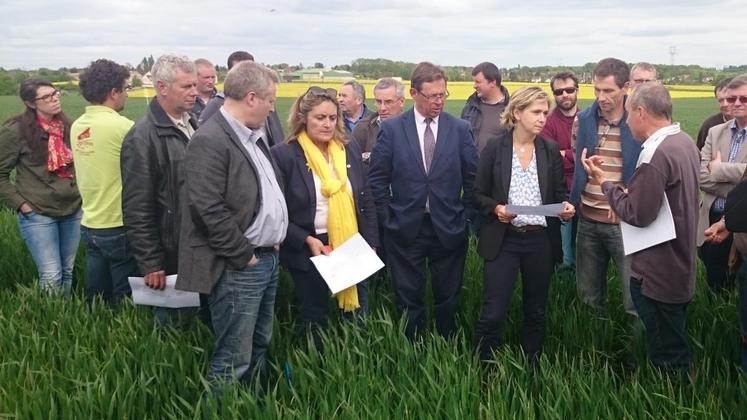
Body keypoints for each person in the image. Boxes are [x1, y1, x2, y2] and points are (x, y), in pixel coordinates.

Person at [176, 61, 287, 390]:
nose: (272, 107)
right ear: (251, 98)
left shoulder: (253, 136)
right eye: (270, 100)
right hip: (241, 264)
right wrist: (244, 255)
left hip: (267, 258)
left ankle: (252, 403)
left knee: (259, 343)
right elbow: (206, 208)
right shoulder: (210, 139)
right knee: (233, 354)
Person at [581, 82, 700, 377]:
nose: (628, 122)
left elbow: (638, 213)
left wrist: (605, 184)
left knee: (666, 351)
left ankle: (670, 399)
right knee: (673, 338)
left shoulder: (654, 154)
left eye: (629, 114)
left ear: (641, 112)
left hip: (657, 269)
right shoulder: (683, 142)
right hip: (680, 264)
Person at [368, 62, 478, 339]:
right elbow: (378, 180)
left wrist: (464, 216)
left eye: (443, 95)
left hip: (449, 227)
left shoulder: (460, 129)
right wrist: (388, 218)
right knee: (408, 298)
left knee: (448, 296)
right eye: (432, 96)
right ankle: (412, 349)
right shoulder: (392, 130)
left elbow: (472, 179)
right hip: (405, 228)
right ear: (415, 93)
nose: (439, 102)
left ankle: (446, 345)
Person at [473, 87, 575, 362]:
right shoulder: (496, 147)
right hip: (503, 239)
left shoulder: (549, 149)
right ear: (517, 113)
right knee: (493, 311)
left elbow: (558, 195)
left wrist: (565, 208)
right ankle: (484, 369)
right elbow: (477, 193)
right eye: (536, 112)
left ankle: (532, 368)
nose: (543, 118)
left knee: (536, 310)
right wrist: (496, 209)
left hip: (539, 241)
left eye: (545, 112)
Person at [271, 86, 379, 343]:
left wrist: (372, 242)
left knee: (358, 313)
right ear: (303, 118)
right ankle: (317, 366)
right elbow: (278, 210)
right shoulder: (285, 155)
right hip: (313, 246)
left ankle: (356, 363)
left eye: (333, 118)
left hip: (351, 241)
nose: (328, 124)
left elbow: (365, 197)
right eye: (320, 118)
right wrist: (305, 239)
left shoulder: (346, 149)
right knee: (315, 314)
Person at [120, 54, 199, 325]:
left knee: (197, 319)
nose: (194, 92)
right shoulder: (142, 137)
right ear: (162, 87)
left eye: (194, 85)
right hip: (170, 251)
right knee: (172, 322)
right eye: (186, 86)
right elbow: (137, 206)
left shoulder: (192, 123)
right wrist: (151, 263)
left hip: (195, 246)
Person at [570, 57, 639, 318]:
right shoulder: (584, 120)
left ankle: (637, 357)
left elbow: (648, 168)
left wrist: (628, 198)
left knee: (634, 301)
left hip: (624, 223)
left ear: (626, 87)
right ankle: (593, 352)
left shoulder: (637, 121)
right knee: (588, 298)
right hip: (587, 219)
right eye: (597, 90)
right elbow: (578, 164)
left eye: (608, 90)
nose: (601, 97)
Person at [0, 79, 81, 295]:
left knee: (67, 270)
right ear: (30, 103)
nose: (54, 100)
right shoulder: (16, 131)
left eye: (55, 94)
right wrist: (22, 205)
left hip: (72, 209)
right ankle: (53, 319)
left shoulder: (67, 126)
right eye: (46, 97)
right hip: (38, 212)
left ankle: (65, 320)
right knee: (51, 274)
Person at [71, 59, 138, 307]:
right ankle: (123, 338)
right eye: (126, 89)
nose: (127, 96)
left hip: (89, 222)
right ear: (113, 92)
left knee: (96, 295)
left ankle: (95, 334)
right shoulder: (123, 126)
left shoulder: (78, 125)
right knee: (125, 297)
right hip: (118, 222)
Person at [697, 74, 747, 293]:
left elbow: (710, 173)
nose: (736, 103)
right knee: (715, 284)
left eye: (744, 99)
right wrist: (739, 185)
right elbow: (701, 176)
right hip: (713, 217)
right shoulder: (715, 131)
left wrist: (718, 169)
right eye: (732, 98)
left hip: (743, 222)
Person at [198, 51, 284, 147]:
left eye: (252, 72)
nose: (247, 77)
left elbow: (277, 136)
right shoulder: (216, 105)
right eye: (241, 72)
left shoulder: (265, 100)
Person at [540, 71, 581, 272]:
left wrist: (565, 153)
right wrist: (574, 154)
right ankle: (563, 286)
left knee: (584, 244)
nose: (565, 95)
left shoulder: (587, 119)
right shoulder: (547, 122)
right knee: (564, 251)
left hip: (584, 187)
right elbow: (550, 157)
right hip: (560, 189)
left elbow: (591, 154)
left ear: (577, 90)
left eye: (570, 90)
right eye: (559, 91)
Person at [351, 77, 405, 167]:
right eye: (379, 102)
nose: (382, 108)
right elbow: (353, 165)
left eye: (388, 102)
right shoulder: (363, 128)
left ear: (402, 102)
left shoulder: (414, 128)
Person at [461, 62, 510, 155]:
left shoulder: (511, 109)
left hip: (496, 167)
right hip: (471, 167)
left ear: (492, 82)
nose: (474, 86)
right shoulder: (470, 106)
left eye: (478, 82)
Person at [697, 78, 733, 150]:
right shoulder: (709, 125)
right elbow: (699, 154)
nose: (725, 104)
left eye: (729, 99)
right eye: (720, 100)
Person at [191, 58, 217, 123]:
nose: (211, 81)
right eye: (206, 77)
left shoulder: (222, 100)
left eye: (213, 77)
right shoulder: (187, 101)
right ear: (195, 77)